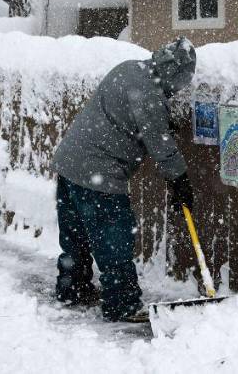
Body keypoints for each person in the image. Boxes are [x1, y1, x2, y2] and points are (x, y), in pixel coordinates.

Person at [50, 37, 197, 323]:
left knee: (76, 238)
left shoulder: (129, 68)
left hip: (69, 164)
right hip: (99, 174)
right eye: (182, 83)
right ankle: (122, 303)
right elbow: (161, 146)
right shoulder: (150, 94)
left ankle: (73, 288)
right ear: (177, 75)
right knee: (114, 240)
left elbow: (129, 115)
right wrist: (180, 181)